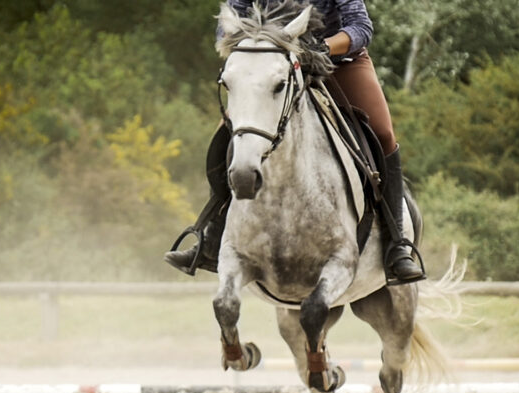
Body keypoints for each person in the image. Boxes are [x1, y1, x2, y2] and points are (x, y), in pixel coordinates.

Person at [164, 0, 425, 284]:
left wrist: (320, 49)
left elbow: (360, 27)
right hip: (271, 63)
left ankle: (397, 244)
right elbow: (227, 24)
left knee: (384, 133)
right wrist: (240, 42)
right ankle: (212, 235)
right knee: (228, 133)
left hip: (338, 62)